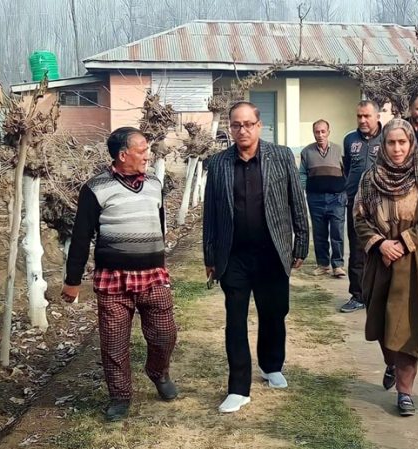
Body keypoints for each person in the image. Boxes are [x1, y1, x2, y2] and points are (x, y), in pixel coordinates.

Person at [62, 127, 177, 422]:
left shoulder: (154, 183)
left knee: (165, 335)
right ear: (123, 155)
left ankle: (158, 371)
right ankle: (120, 396)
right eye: (141, 150)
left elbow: (158, 223)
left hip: (153, 276)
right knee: (114, 343)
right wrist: (73, 281)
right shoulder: (95, 188)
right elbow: (80, 237)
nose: (147, 155)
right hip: (113, 280)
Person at [202, 101, 309, 414]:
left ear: (260, 126)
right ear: (230, 128)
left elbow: (295, 200)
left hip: (272, 252)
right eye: (236, 125)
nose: (242, 130)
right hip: (233, 255)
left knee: (274, 312)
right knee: (235, 319)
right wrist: (209, 254)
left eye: (248, 124)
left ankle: (271, 364)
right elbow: (210, 212)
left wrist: (301, 241)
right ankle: (238, 388)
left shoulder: (281, 156)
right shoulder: (219, 163)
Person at [354, 118, 418, 416]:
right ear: (383, 145)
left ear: (411, 143)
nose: (396, 149)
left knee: (408, 325)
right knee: (381, 321)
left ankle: (405, 392)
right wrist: (381, 244)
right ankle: (390, 362)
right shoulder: (369, 179)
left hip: (415, 261)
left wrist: (403, 243)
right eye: (391, 143)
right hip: (381, 260)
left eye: (402, 142)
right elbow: (360, 218)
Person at [341, 100, 383, 313]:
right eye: (359, 116)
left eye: (367, 116)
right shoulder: (349, 139)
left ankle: (379, 294)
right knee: (357, 250)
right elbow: (347, 167)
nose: (363, 120)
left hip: (381, 205)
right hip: (355, 204)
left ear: (377, 116)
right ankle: (357, 295)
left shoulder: (388, 138)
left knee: (380, 248)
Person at [299, 119, 347, 278]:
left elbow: (346, 173)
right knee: (319, 234)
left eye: (323, 131)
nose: (320, 135)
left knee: (337, 233)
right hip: (316, 199)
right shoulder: (306, 152)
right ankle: (323, 264)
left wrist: (344, 193)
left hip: (336, 199)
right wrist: (303, 190)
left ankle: (338, 265)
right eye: (317, 132)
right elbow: (302, 175)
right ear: (313, 133)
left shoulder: (339, 150)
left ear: (328, 132)